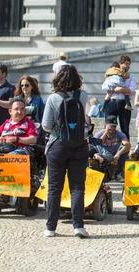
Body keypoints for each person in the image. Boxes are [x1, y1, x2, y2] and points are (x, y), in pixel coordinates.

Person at [42, 64, 90, 238]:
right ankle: (78, 226)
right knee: (77, 187)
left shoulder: (53, 98)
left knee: (54, 188)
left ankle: (50, 228)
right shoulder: (82, 96)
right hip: (79, 144)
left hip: (58, 144)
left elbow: (46, 126)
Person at [104, 55, 136, 139]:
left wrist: (118, 89)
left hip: (124, 104)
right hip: (112, 102)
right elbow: (106, 88)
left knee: (125, 129)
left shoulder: (131, 77)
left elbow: (132, 90)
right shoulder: (112, 75)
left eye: (129, 64)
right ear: (120, 64)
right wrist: (121, 89)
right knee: (108, 127)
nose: (128, 66)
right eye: (126, 64)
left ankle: (125, 150)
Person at [90, 115, 131, 179]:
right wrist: (105, 133)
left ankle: (119, 174)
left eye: (114, 126)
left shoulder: (119, 134)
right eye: (111, 126)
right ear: (106, 124)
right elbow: (95, 144)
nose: (113, 128)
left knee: (125, 151)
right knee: (95, 153)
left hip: (114, 155)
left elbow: (127, 145)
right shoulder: (99, 134)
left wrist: (118, 155)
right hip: (103, 155)